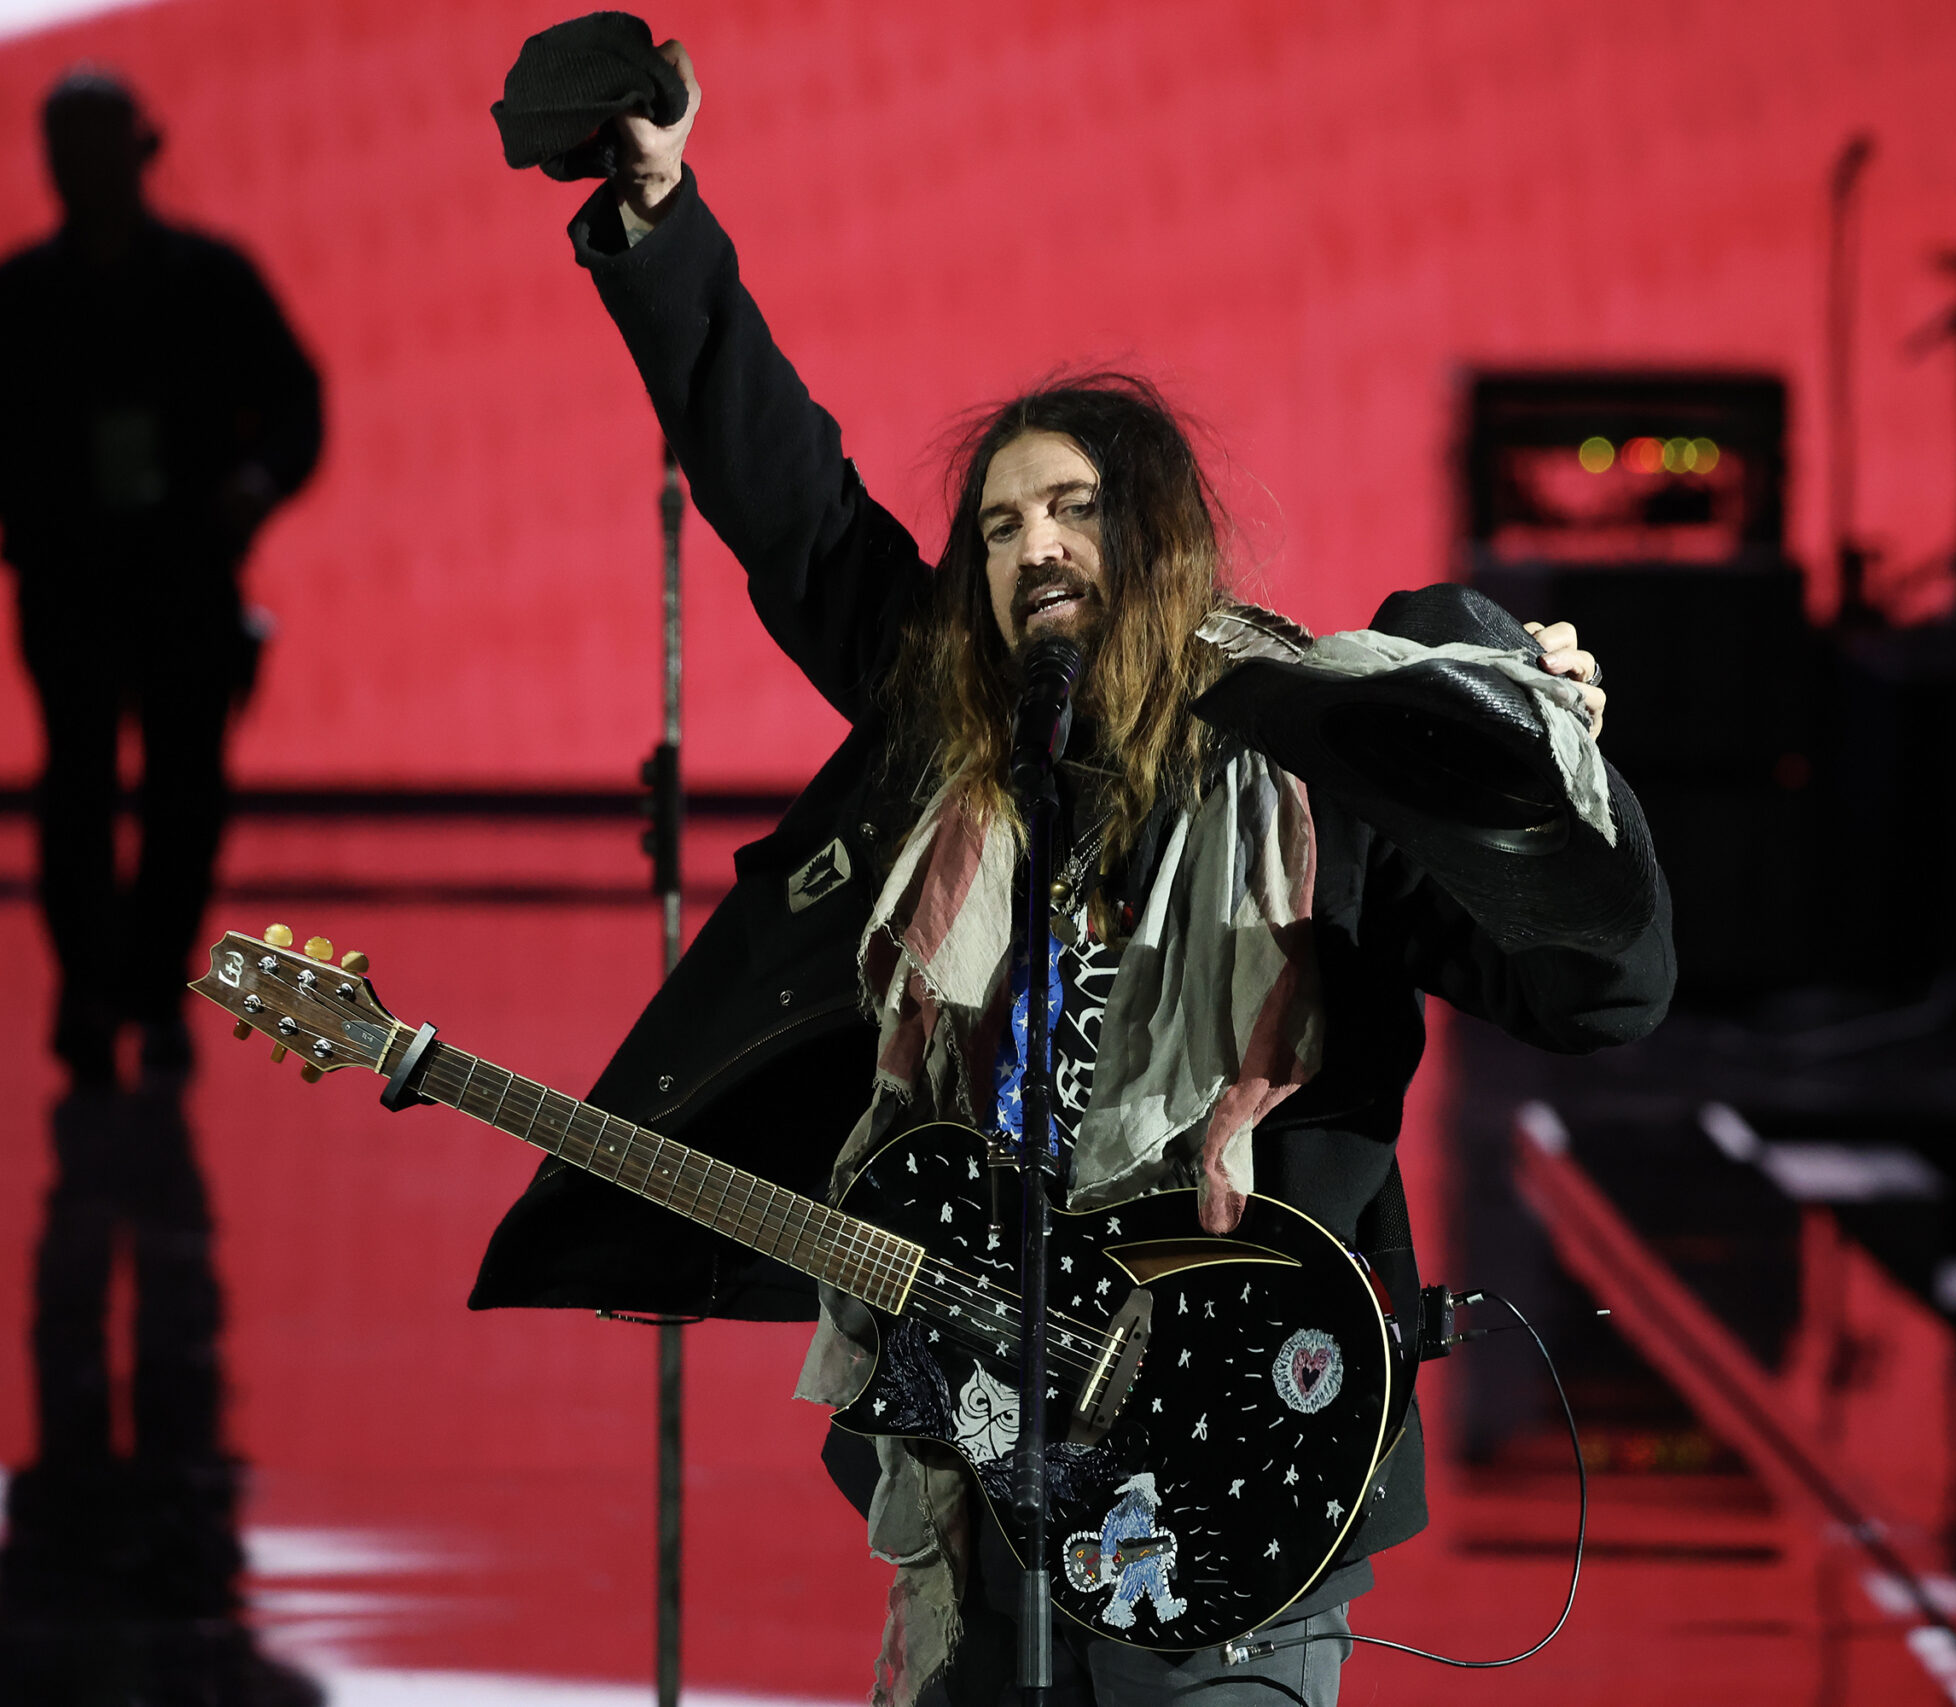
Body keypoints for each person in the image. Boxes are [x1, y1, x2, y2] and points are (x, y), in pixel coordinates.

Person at [467, 35, 1672, 1707]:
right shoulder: (951, 740)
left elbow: (1594, 993)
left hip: (1241, 1475)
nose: (1033, 544)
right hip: (984, 1471)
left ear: (1161, 533)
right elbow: (797, 511)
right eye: (1000, 523)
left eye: (1076, 509)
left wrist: (1542, 786)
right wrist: (659, 214)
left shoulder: (1322, 760)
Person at [0, 69, 323, 1089]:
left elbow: (295, 403)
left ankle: (152, 983)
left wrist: (254, 487)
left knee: (184, 792)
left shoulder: (207, 282)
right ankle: (95, 990)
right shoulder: (24, 297)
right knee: (80, 790)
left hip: (183, 580)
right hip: (73, 582)